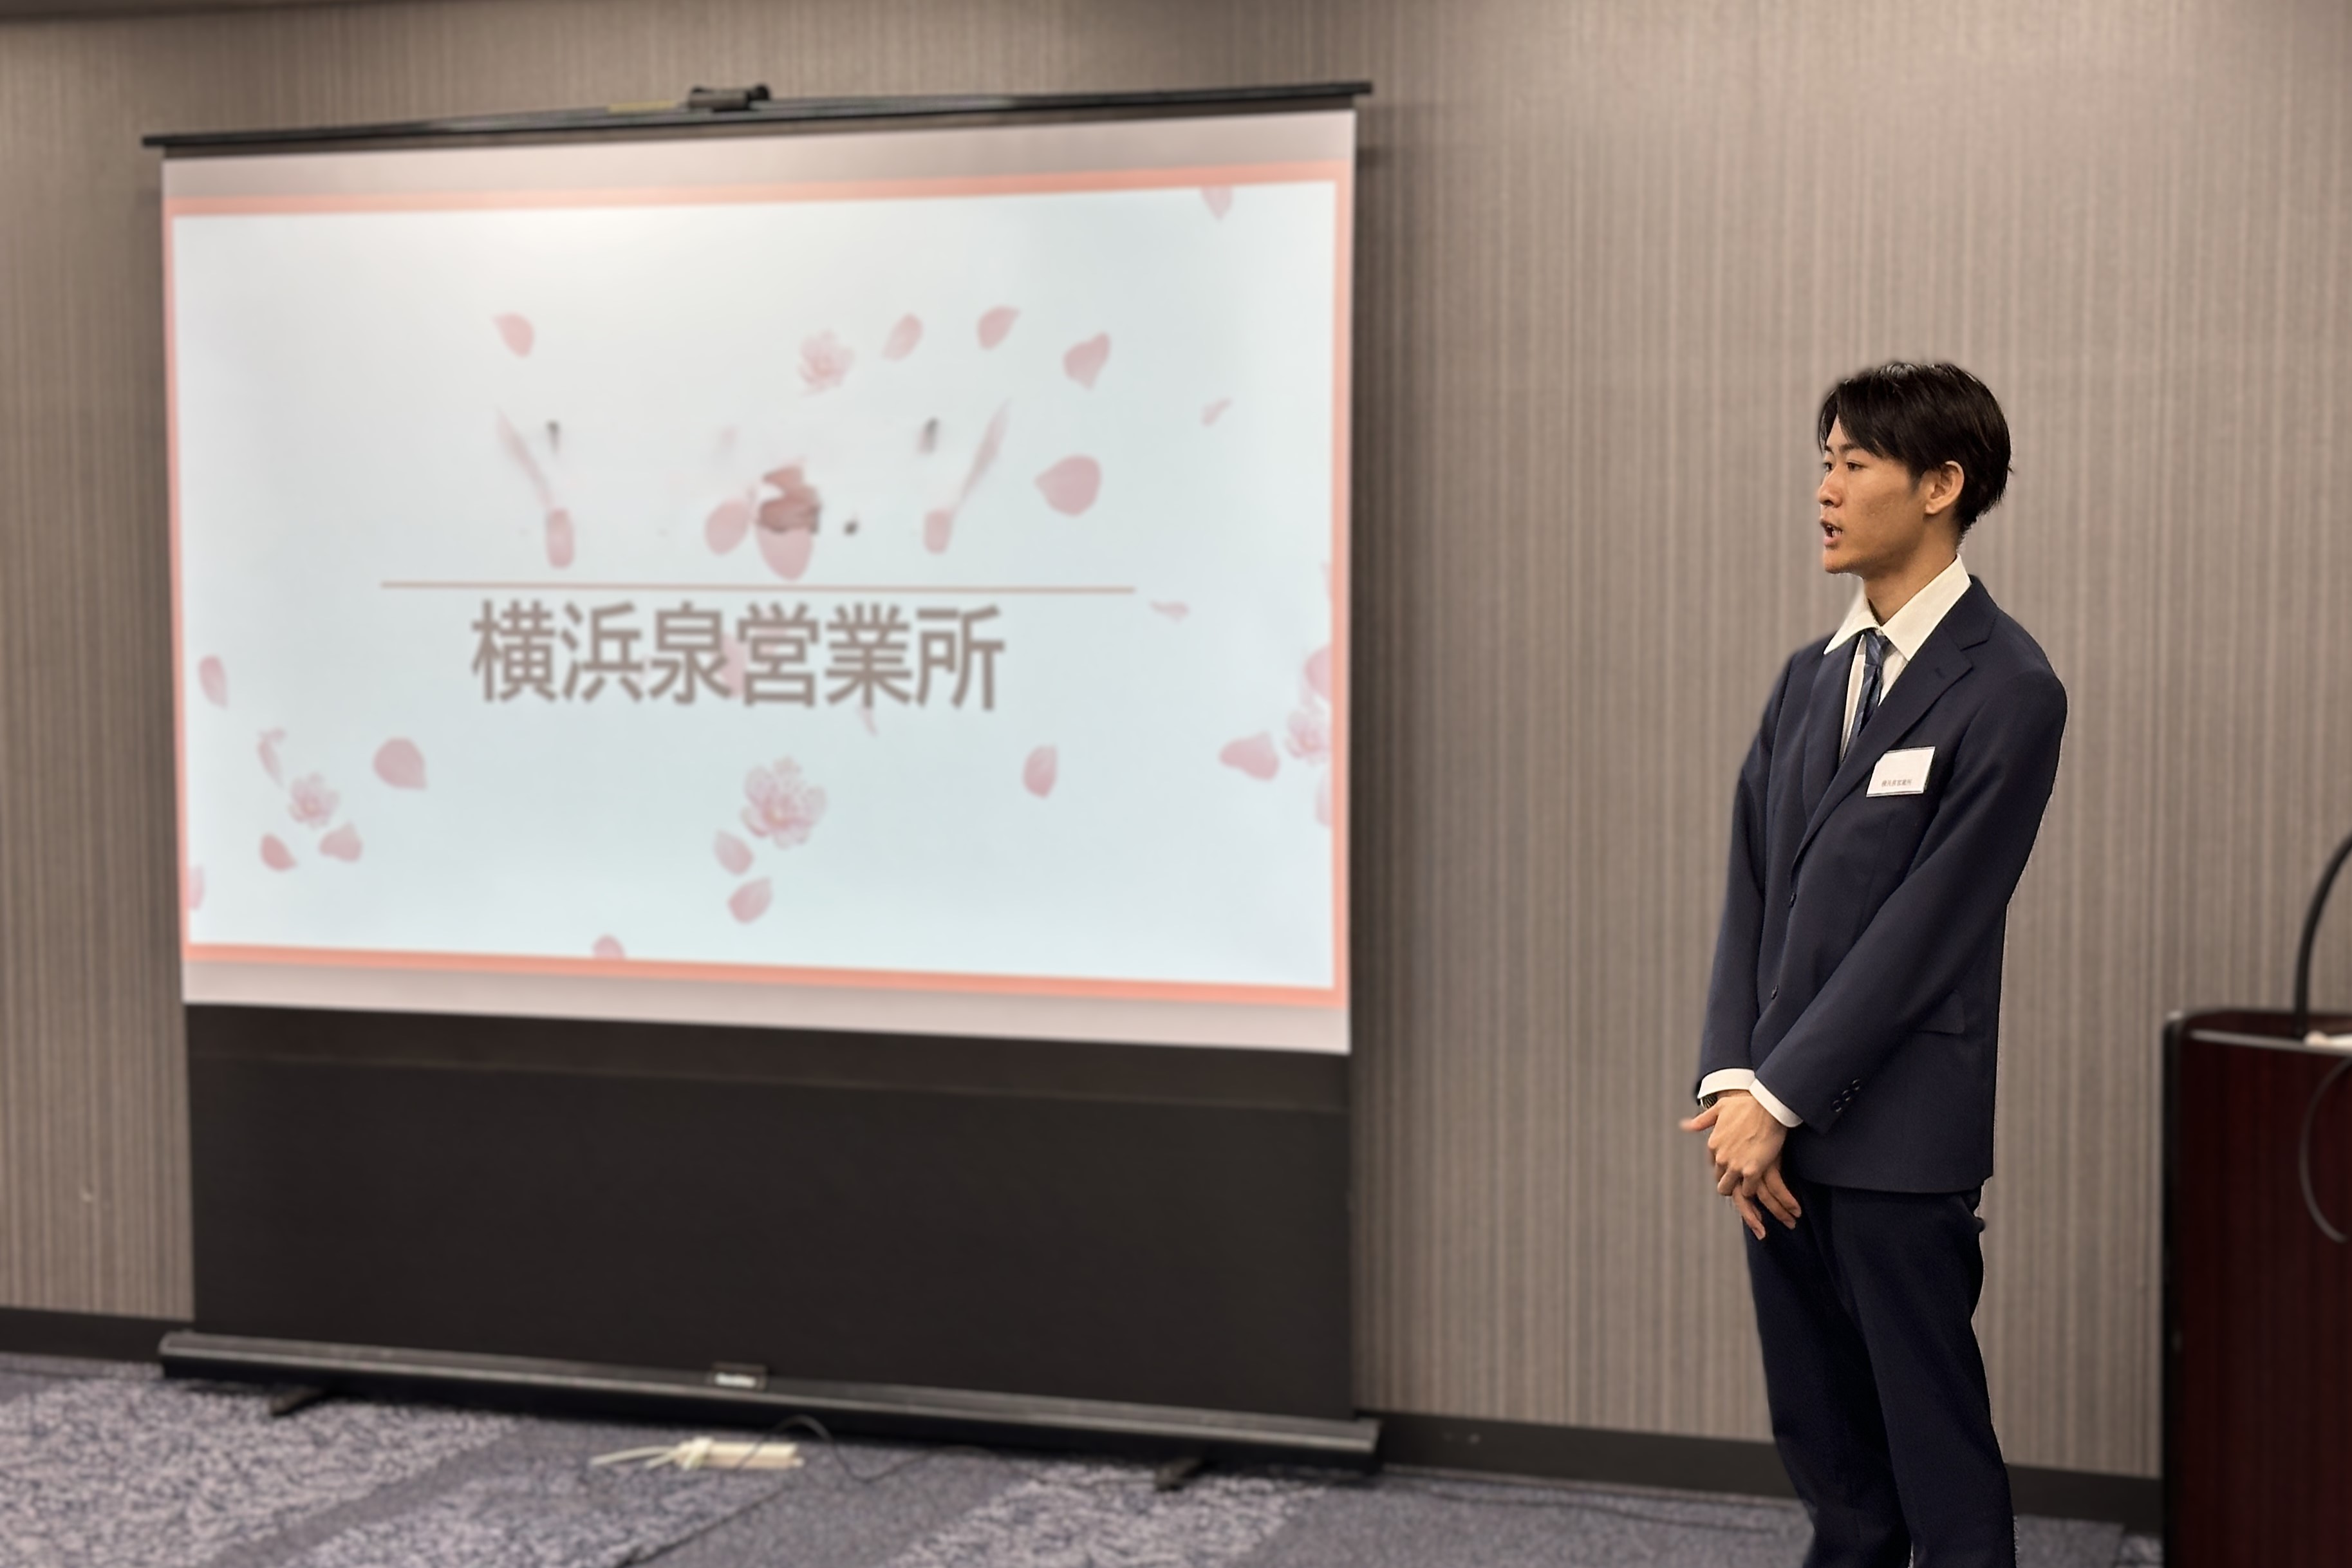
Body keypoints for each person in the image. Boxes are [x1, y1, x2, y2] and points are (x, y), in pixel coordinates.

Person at [1681, 362, 2067, 1567]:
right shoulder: (1808, 678)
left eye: (1853, 464)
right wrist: (1731, 1086)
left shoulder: (2010, 688)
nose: (1825, 490)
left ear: (1941, 486)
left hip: (1896, 1139)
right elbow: (1751, 893)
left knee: (1935, 1462)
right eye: (1825, 462)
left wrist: (1779, 1096)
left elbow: (1924, 932)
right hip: (1769, 1139)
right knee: (1832, 1461)